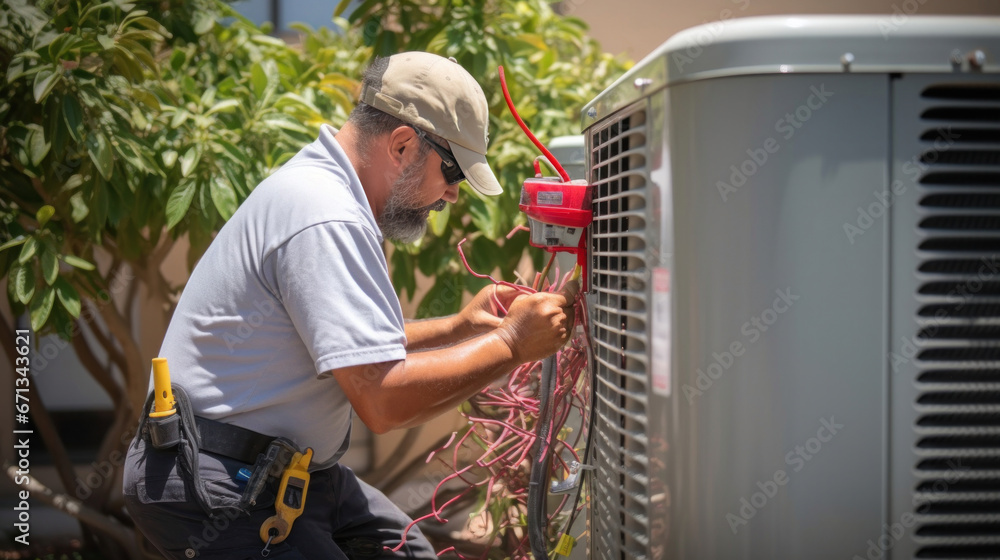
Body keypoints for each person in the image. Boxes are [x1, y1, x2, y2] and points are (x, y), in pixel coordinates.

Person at [123, 51, 578, 559]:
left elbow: (350, 346)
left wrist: (461, 327)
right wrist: (513, 343)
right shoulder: (326, 217)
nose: (451, 194)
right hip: (216, 482)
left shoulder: (325, 191)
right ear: (404, 145)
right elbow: (382, 399)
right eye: (452, 171)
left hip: (275, 470)